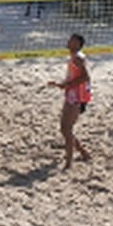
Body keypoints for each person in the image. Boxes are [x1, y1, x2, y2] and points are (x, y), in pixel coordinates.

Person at [47, 33, 92, 170]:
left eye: (71, 40)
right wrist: (61, 84)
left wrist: (68, 85)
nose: (68, 41)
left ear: (78, 44)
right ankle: (84, 153)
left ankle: (69, 163)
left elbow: (85, 77)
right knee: (66, 128)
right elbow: (75, 77)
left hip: (76, 97)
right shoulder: (76, 57)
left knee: (66, 129)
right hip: (75, 95)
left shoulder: (78, 57)